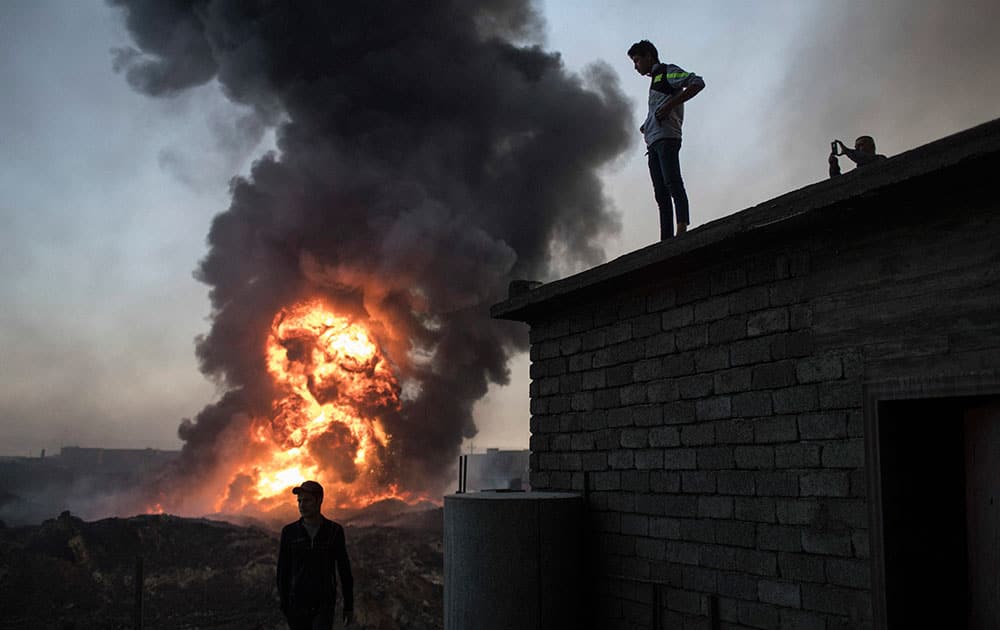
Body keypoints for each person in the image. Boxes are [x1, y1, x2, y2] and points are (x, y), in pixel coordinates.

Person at [628, 39, 705, 241]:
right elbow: (658, 109)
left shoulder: (667, 71)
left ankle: (681, 228)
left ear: (648, 56)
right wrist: (648, 123)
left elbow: (697, 82)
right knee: (660, 193)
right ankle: (666, 239)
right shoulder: (655, 82)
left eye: (637, 60)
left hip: (666, 138)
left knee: (672, 182)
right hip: (653, 142)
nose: (635, 66)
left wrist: (670, 106)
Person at [277, 480, 354, 629]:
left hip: (323, 603)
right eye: (299, 501)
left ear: (319, 501)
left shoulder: (334, 531)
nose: (301, 505)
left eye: (307, 500)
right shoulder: (289, 532)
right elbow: (283, 570)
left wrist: (348, 605)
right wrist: (285, 604)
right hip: (297, 604)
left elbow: (344, 569)